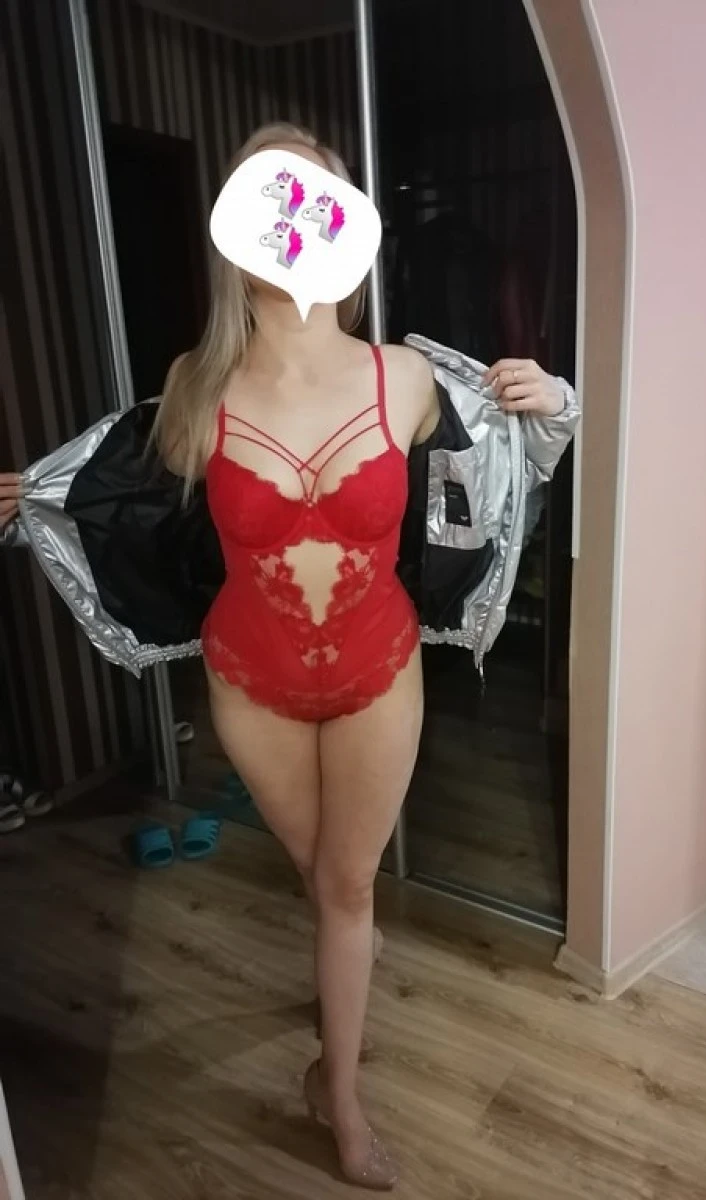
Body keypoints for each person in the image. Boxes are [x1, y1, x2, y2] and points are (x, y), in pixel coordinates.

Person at [0, 122, 572, 1191]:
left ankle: (337, 1095)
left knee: (346, 887)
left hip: (378, 671)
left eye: (318, 197)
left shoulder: (405, 377)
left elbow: (504, 457)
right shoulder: (193, 388)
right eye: (273, 197)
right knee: (326, 882)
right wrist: (36, 495)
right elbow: (122, 488)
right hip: (250, 685)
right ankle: (347, 979)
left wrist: (551, 406)